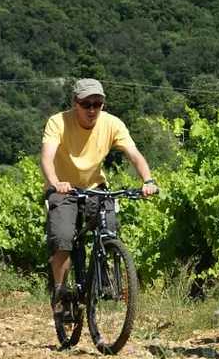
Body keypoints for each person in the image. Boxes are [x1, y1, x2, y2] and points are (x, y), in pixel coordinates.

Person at [40, 78, 157, 320]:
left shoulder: (112, 123)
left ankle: (102, 276)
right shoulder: (58, 122)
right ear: (75, 103)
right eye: (86, 104)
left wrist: (148, 181)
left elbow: (134, 155)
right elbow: (46, 157)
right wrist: (55, 182)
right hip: (63, 188)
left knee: (109, 228)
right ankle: (61, 293)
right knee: (62, 238)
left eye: (98, 103)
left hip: (95, 186)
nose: (92, 109)